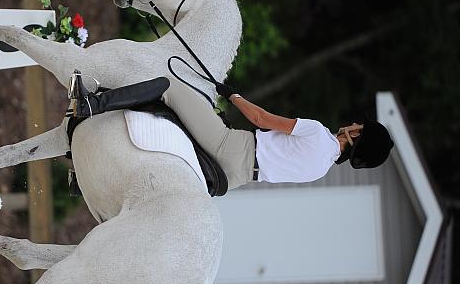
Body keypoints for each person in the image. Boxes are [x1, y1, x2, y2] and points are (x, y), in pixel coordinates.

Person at [69, 74, 394, 191]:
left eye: (359, 127)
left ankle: (91, 105)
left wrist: (232, 94)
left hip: (230, 146)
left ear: (355, 136)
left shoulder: (319, 133)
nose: (354, 123)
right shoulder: (321, 169)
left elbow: (262, 119)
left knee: (171, 90)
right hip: (236, 179)